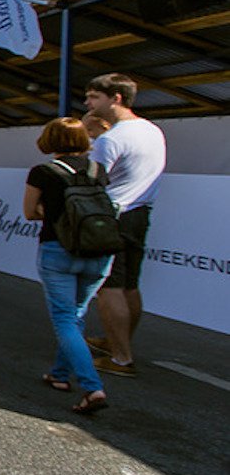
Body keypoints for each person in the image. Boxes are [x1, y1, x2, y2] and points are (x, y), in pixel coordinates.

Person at [23, 116, 114, 416]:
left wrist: (48, 211)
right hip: (98, 251)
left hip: (57, 250)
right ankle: (60, 375)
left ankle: (92, 386)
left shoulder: (43, 172)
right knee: (76, 315)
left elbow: (30, 212)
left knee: (64, 318)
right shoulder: (97, 169)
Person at [83, 73, 166, 377]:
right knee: (130, 285)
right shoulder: (152, 130)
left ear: (115, 98)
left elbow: (92, 182)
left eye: (94, 97)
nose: (88, 103)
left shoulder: (111, 139)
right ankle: (118, 342)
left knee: (108, 288)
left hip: (112, 216)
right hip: (140, 213)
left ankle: (121, 357)